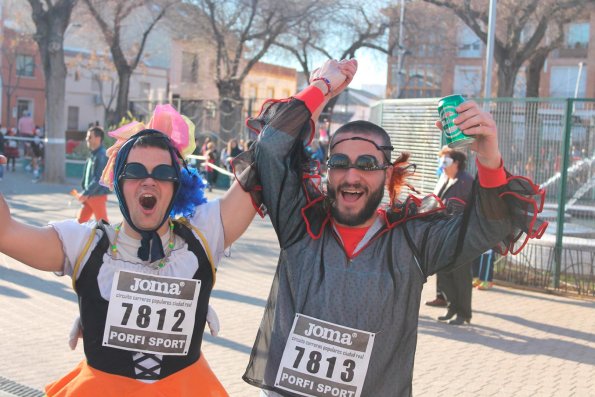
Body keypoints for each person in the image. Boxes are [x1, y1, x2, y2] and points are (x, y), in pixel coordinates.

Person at [233, 59, 547, 396]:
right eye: (339, 163)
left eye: (367, 165)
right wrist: (322, 87)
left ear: (387, 174)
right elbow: (270, 147)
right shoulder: (300, 221)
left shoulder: (413, 239)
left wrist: (489, 155)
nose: (351, 176)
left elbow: (488, 226)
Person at [0, 104, 256, 396]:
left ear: (176, 184)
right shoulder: (85, 245)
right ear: (119, 184)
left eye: (162, 173)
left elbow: (267, 159)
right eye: (135, 171)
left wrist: (319, 89)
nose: (149, 180)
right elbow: (7, 233)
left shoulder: (201, 237)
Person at [430, 146, 475, 325]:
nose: (442, 164)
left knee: (461, 276)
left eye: (446, 161)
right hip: (444, 235)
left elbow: (470, 208)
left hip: (461, 236)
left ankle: (464, 313)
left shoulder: (466, 181)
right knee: (444, 273)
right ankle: (452, 308)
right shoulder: (446, 179)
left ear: (456, 163)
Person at [75, 126, 111, 223]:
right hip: (91, 195)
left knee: (104, 225)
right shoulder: (94, 154)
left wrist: (85, 192)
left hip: (97, 196)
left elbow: (98, 178)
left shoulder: (101, 155)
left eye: (90, 137)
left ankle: (111, 238)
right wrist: (85, 192)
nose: (87, 139)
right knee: (80, 222)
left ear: (98, 138)